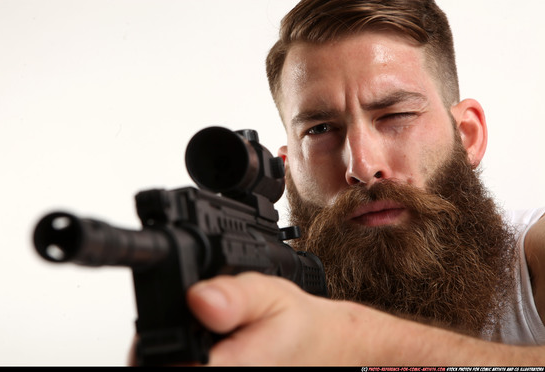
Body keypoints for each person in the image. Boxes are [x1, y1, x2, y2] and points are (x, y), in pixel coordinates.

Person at [183, 0, 545, 365]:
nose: (362, 166)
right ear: (287, 167)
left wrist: (364, 337)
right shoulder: (267, 299)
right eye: (320, 129)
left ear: (467, 135)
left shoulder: (535, 259)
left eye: (397, 115)